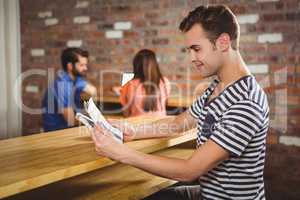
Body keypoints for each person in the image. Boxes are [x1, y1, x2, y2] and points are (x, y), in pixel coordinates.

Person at [91, 5, 269, 200]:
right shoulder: (218, 86)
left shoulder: (246, 101)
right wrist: (133, 132)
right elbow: (178, 124)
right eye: (189, 50)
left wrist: (122, 153)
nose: (192, 58)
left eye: (197, 49)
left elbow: (190, 170)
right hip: (208, 193)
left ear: (223, 42)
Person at [42, 47, 96, 132]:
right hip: (57, 133)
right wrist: (96, 121)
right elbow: (71, 121)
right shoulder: (62, 86)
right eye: (82, 65)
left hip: (70, 128)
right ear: (70, 66)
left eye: (85, 65)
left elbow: (93, 90)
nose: (85, 68)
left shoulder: (76, 79)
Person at [120, 49, 171, 117]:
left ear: (136, 65)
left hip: (137, 126)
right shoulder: (165, 82)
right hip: (160, 126)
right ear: (155, 64)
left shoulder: (129, 85)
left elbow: (126, 113)